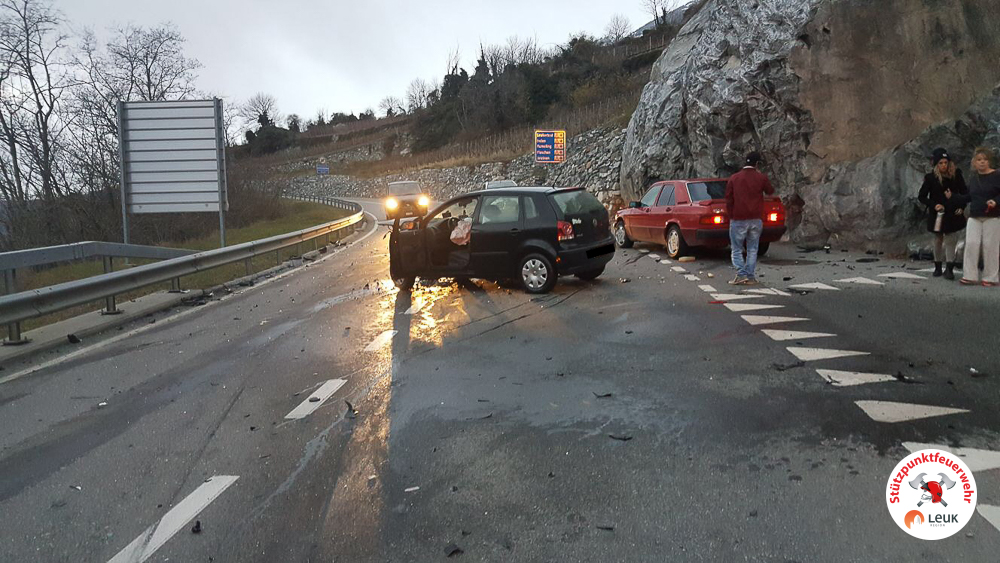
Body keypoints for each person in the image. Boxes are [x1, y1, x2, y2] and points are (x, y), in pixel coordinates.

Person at [725, 151, 775, 285]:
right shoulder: (761, 178)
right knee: (753, 249)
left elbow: (729, 199)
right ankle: (751, 276)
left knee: (737, 249)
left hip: (738, 218)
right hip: (756, 218)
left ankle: (741, 274)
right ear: (757, 163)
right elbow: (770, 191)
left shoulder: (734, 178)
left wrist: (731, 215)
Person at [917, 148, 967, 280]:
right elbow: (922, 196)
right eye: (941, 163)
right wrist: (934, 205)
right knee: (938, 239)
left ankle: (949, 268)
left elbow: (965, 193)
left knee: (951, 239)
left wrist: (961, 206)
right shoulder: (930, 178)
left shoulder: (956, 175)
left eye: (946, 162)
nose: (944, 165)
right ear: (936, 164)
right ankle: (938, 266)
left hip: (953, 212)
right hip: (938, 213)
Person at [954, 147, 1000, 286]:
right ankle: (970, 275)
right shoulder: (974, 179)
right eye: (979, 160)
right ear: (974, 162)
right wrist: (955, 199)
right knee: (972, 243)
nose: (982, 162)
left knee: (990, 246)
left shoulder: (997, 175)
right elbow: (970, 196)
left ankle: (991, 277)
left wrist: (996, 201)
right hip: (975, 214)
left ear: (989, 161)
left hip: (992, 215)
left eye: (985, 160)